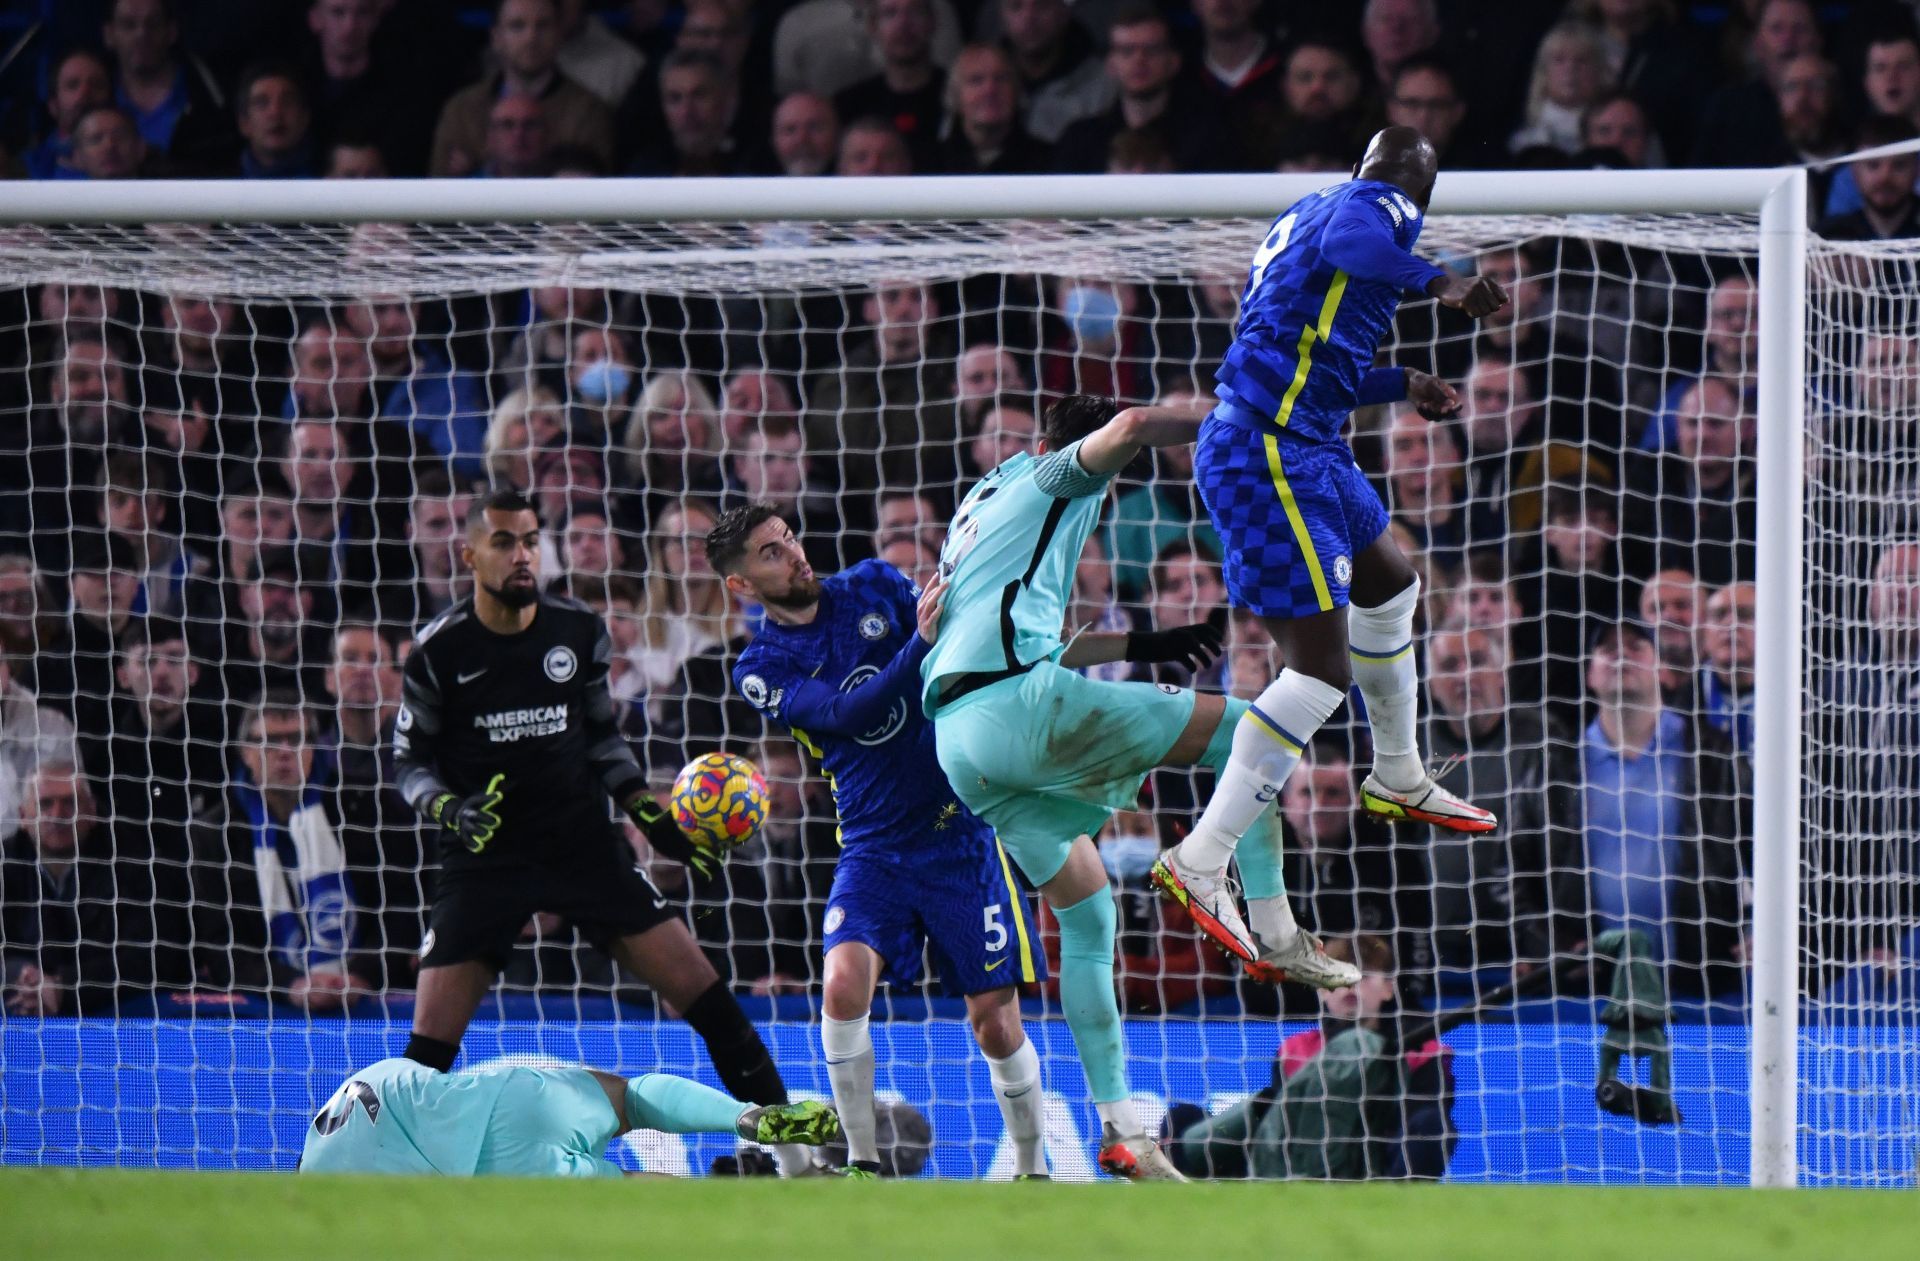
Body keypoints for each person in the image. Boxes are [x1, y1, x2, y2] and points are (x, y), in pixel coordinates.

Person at [921, 393, 1308, 1181]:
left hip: (961, 744)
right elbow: (1132, 426)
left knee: (1089, 912)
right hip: (1013, 707)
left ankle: (1120, 1124)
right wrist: (1249, 413)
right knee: (1252, 729)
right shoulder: (1061, 479)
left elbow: (1023, 630)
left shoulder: (983, 497)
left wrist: (1147, 641)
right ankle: (1268, 923)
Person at [1155, 128, 1510, 981]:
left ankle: (1398, 772)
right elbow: (1365, 241)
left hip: (1303, 441)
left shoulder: (1305, 215)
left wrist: (1404, 382)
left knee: (1392, 583)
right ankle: (1203, 856)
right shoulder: (1371, 210)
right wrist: (1441, 281)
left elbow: (1303, 350)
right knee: (1319, 672)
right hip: (1268, 454)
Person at [389, 488, 816, 1177]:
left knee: (711, 1001)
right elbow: (408, 760)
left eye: (531, 539)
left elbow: (602, 739)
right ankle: (390, 1172)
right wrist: (448, 809)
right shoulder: (440, 650)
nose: (523, 553)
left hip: (582, 844)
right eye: (504, 541)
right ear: (468, 553)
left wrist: (652, 816)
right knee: (427, 1052)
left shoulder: (575, 630)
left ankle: (797, 1155)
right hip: (483, 857)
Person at [707, 502, 1050, 1180]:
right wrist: (917, 646)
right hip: (872, 844)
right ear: (741, 585)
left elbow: (949, 648)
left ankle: (1034, 1166)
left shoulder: (873, 582)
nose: (795, 554)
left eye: (790, 538)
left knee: (995, 1022)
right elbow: (841, 712)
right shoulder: (760, 664)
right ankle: (862, 1162)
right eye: (771, 553)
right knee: (840, 985)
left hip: (960, 833)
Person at [298, 1055, 837, 1178]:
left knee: (626, 1190)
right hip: (508, 1098)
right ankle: (748, 1117)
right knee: (630, 1098)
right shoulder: (374, 1077)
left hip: (497, 1178)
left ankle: (739, 1204)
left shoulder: (322, 1198)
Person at [430, 0, 613, 177]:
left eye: (543, 26)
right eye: (517, 26)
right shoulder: (461, 110)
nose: (531, 37)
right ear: (496, 37)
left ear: (559, 34)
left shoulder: (589, 112)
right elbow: (434, 194)